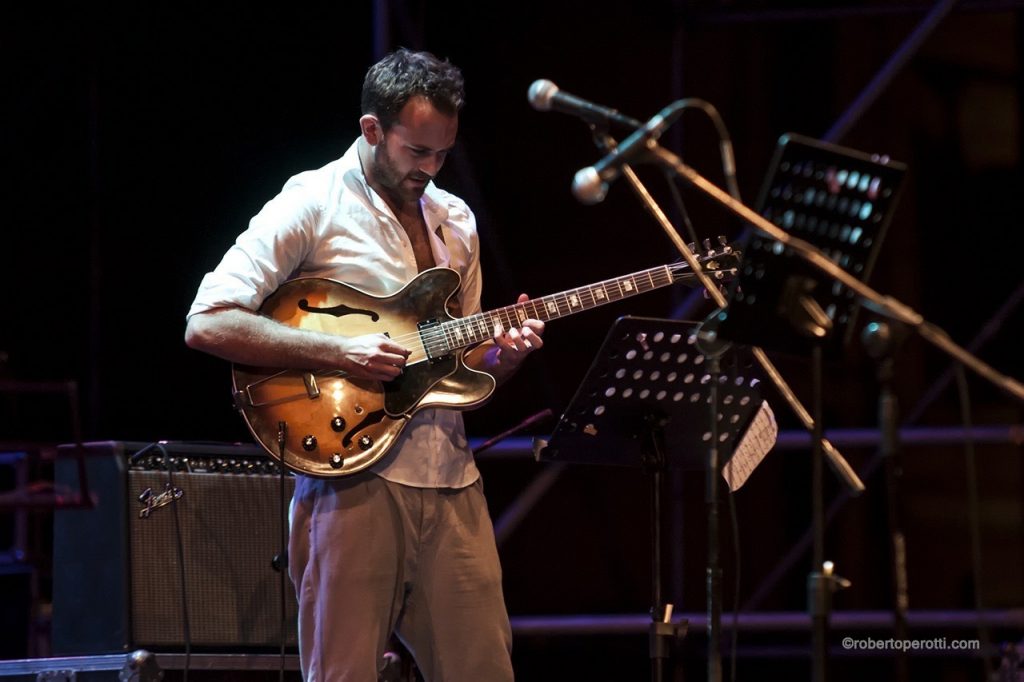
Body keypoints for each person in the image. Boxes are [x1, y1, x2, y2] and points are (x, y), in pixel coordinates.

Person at [184, 48, 543, 682]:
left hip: (452, 479)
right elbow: (208, 321)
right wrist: (337, 351)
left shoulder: (455, 219)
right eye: (417, 152)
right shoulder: (313, 201)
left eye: (442, 154)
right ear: (372, 129)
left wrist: (503, 356)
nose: (430, 169)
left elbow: (462, 361)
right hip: (349, 480)